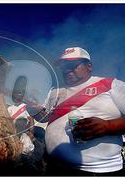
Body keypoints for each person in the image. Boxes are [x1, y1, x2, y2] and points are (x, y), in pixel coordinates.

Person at [43, 47, 125, 175]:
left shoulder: (110, 84)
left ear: (89, 66)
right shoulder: (55, 91)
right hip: (55, 167)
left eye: (72, 65)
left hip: (98, 171)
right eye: (64, 67)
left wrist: (108, 126)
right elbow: (45, 117)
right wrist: (34, 109)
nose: (67, 70)